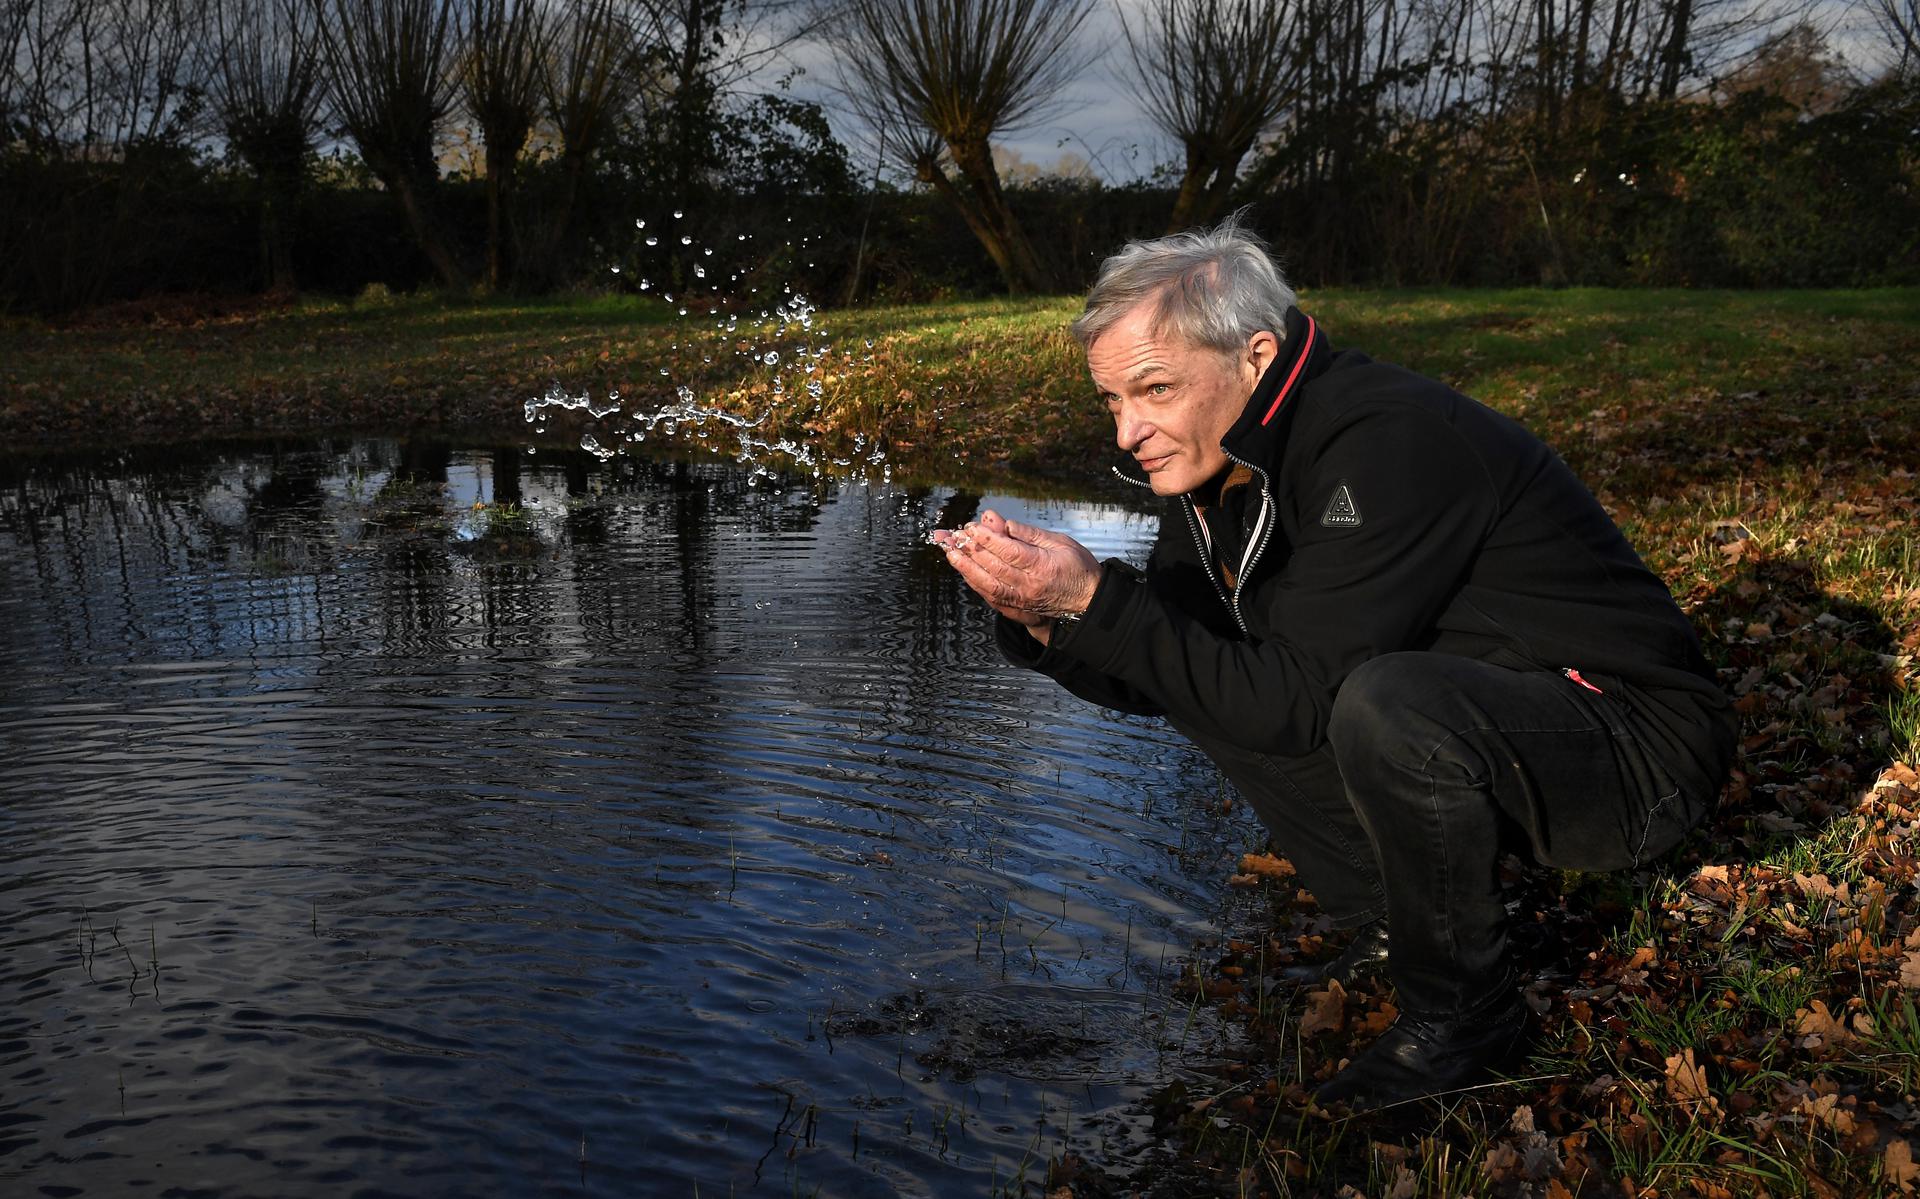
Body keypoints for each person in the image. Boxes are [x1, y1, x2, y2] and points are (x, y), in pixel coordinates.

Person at [931, 215, 1735, 1110]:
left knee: (1383, 703)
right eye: (1113, 401)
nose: (1127, 432)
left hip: (1635, 747)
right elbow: (1179, 666)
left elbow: (1298, 699)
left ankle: (1467, 1016)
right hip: (1499, 716)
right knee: (1233, 673)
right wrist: (1045, 621)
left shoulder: (1386, 438)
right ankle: (1405, 923)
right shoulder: (1219, 463)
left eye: (1152, 390)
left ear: (1256, 356)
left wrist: (1093, 600)